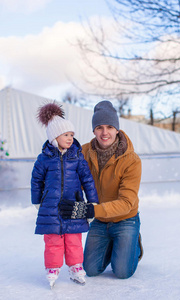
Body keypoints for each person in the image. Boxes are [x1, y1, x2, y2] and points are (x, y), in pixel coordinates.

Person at [59, 100, 143, 280]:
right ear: (93, 130)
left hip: (125, 219)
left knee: (122, 272)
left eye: (110, 127)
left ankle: (132, 243)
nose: (105, 133)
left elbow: (127, 203)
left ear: (117, 130)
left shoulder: (131, 160)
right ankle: (116, 245)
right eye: (99, 127)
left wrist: (90, 209)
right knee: (90, 269)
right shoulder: (83, 152)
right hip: (100, 220)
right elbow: (71, 178)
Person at [31, 102, 98, 287]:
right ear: (54, 137)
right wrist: (36, 200)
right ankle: (52, 268)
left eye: (71, 135)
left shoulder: (77, 157)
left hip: (74, 205)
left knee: (74, 239)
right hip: (51, 207)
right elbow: (36, 180)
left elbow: (88, 180)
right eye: (66, 135)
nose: (70, 138)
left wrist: (93, 203)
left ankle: (76, 267)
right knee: (53, 240)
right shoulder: (44, 158)